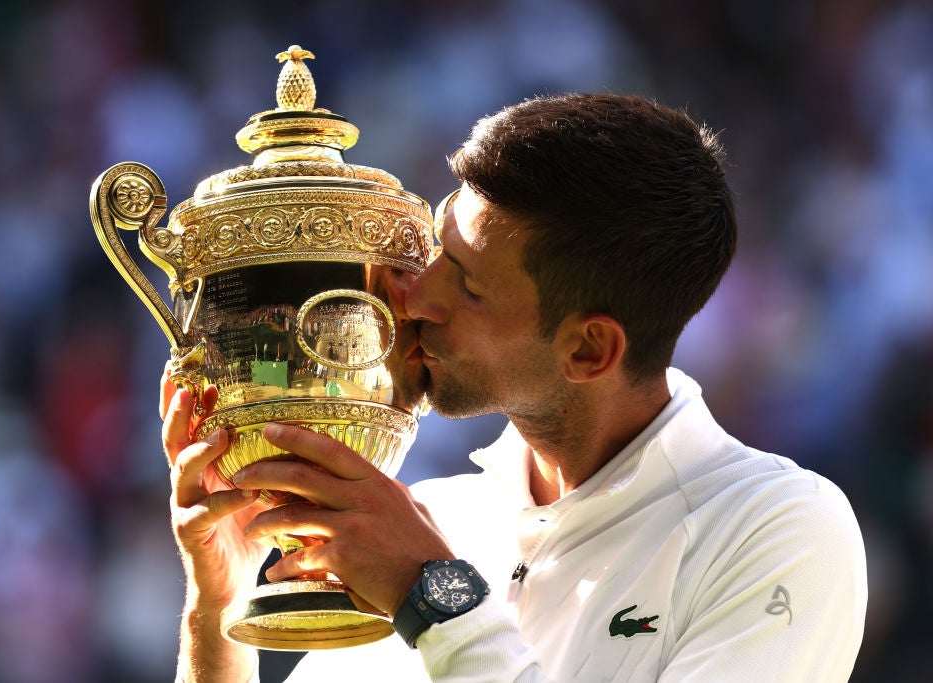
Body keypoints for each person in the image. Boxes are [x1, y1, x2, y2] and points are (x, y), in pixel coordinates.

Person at [161, 93, 867, 682]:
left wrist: (435, 599)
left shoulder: (780, 530)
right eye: (438, 246)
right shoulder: (423, 520)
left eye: (466, 286)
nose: (414, 296)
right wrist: (216, 607)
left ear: (589, 349)